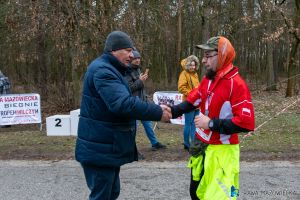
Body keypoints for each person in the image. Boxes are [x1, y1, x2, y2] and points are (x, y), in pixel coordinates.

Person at [75, 31, 171, 200]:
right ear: (114, 50)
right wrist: (157, 112)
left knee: (111, 193)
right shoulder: (103, 71)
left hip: (105, 147)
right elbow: (122, 104)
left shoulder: (111, 69)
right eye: (127, 50)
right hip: (100, 149)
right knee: (103, 196)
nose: (132, 55)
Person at [170, 36, 255, 200]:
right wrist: (171, 112)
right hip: (200, 147)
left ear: (222, 55)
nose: (203, 61)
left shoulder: (236, 84)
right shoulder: (208, 79)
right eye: (204, 56)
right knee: (195, 193)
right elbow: (194, 99)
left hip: (222, 152)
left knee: (221, 197)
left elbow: (246, 123)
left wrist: (210, 123)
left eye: (208, 56)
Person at [125, 49, 166, 151]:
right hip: (133, 104)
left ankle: (154, 143)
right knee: (133, 128)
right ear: (130, 59)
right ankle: (132, 148)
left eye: (139, 58)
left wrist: (147, 99)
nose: (138, 60)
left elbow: (140, 87)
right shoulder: (126, 71)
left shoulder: (138, 70)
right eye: (135, 58)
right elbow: (129, 88)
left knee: (148, 124)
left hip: (142, 102)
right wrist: (141, 81)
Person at [178, 55, 200, 150]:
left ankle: (193, 142)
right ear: (187, 65)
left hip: (197, 103)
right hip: (188, 102)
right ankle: (186, 144)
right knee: (188, 124)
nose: (192, 67)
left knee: (195, 123)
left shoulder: (195, 74)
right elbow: (181, 88)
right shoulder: (184, 73)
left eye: (194, 65)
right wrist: (192, 94)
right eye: (190, 65)